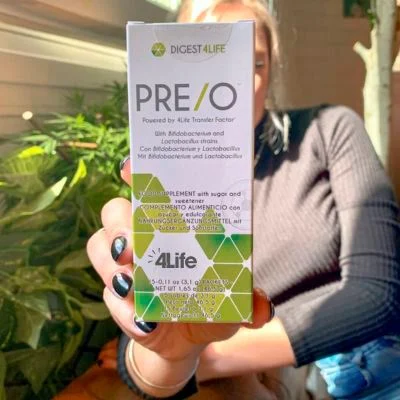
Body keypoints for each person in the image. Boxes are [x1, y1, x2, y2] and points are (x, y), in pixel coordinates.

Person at [86, 0, 400, 399]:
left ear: (271, 70)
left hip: (371, 363)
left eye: (252, 62)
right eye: (209, 58)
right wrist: (175, 351)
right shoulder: (169, 172)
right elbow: (149, 355)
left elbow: (379, 296)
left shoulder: (328, 130)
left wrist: (213, 356)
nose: (233, 82)